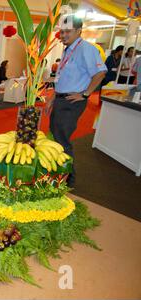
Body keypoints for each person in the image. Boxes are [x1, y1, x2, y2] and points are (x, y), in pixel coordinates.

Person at [46, 16, 107, 187]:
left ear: (79, 31)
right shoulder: (68, 49)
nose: (63, 35)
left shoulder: (86, 49)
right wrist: (52, 98)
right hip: (61, 99)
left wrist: (86, 94)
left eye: (68, 32)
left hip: (71, 102)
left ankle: (68, 179)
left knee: (61, 139)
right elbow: (61, 78)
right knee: (55, 135)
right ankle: (57, 172)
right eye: (62, 31)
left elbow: (100, 73)